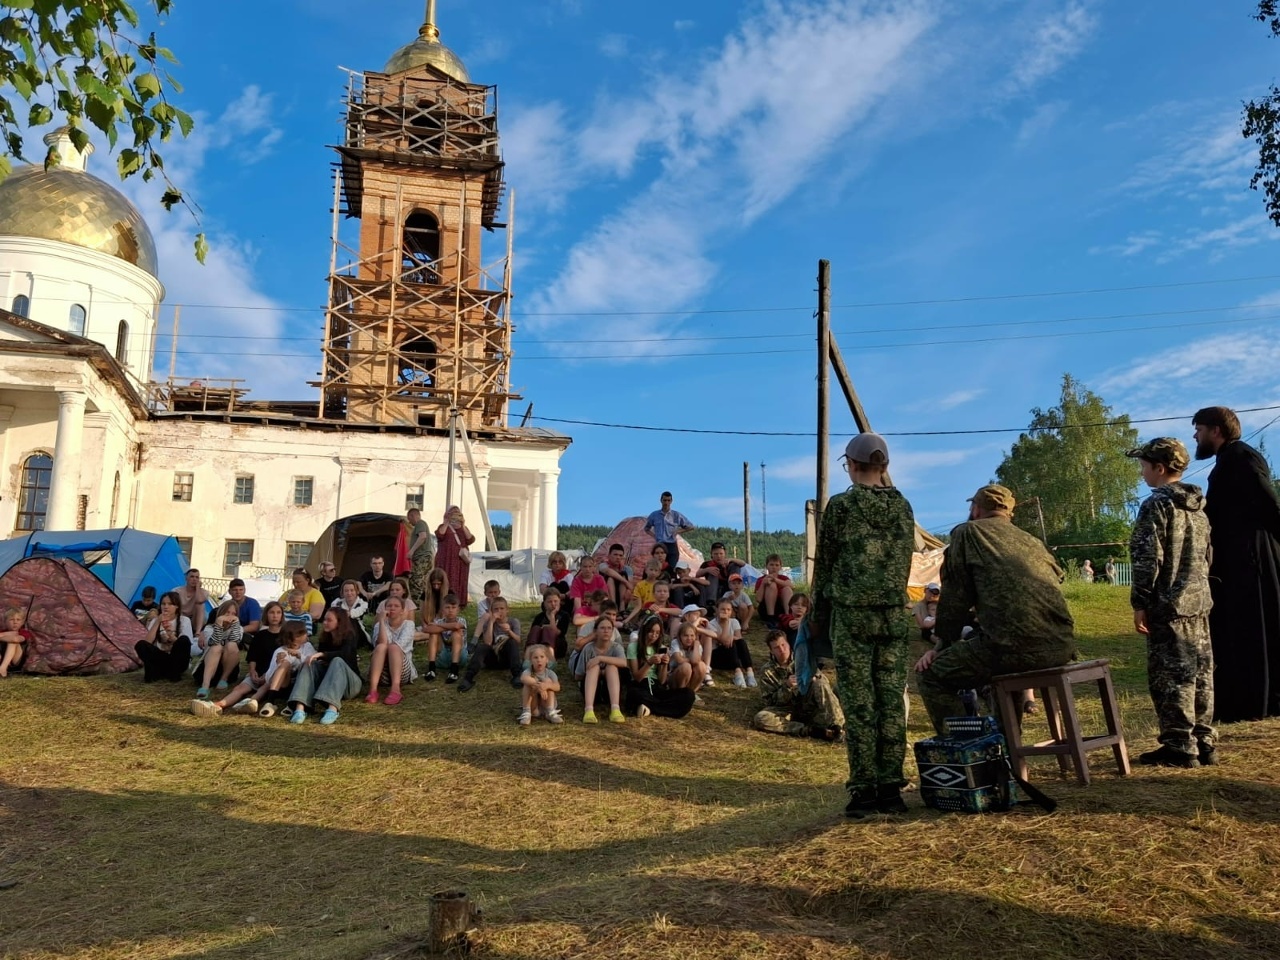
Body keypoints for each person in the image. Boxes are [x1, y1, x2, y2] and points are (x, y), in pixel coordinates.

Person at [811, 433, 917, 819]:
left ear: (851, 466)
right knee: (891, 701)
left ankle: (864, 792)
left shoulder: (840, 507)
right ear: (884, 467)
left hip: (853, 614)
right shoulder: (904, 508)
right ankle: (891, 788)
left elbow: (823, 568)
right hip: (891, 614)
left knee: (859, 703)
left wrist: (815, 620)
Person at [916, 483, 1077, 736]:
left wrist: (942, 646)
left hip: (1010, 649)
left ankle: (968, 751)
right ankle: (1006, 746)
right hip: (1060, 646)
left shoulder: (968, 533)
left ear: (976, 509)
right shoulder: (1031, 540)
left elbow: (955, 597)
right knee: (1000, 658)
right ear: (1009, 513)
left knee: (931, 676)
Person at [1127, 438, 1216, 767]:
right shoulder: (1199, 507)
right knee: (1201, 673)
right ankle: (1204, 740)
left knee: (1171, 676)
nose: (1142, 473)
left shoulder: (1156, 505)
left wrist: (1140, 602)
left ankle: (1179, 745)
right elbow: (1208, 556)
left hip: (1169, 605)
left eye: (1144, 467)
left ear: (1159, 468)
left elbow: (1147, 557)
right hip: (1200, 602)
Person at [1192, 405, 1280, 721]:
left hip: (1251, 558)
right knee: (1238, 632)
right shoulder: (1228, 460)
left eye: (1199, 429)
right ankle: (1241, 703)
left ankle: (1259, 703)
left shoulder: (1242, 457)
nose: (1195, 436)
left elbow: (1269, 503)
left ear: (1217, 430)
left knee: (1253, 630)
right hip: (1238, 560)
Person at [191, 620, 314, 718]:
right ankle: (218, 705)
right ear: (294, 636)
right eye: (303, 633)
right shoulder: (278, 648)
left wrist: (298, 656)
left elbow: (313, 661)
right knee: (241, 688)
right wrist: (263, 670)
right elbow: (257, 660)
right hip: (268, 678)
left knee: (282, 668)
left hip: (288, 684)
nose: (306, 635)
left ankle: (254, 701)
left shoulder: (307, 647)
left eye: (278, 613)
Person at [752, 629, 845, 740]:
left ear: (789, 644)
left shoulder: (802, 659)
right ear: (771, 651)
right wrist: (786, 687)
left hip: (809, 705)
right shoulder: (767, 671)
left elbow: (822, 683)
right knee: (761, 718)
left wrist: (809, 679)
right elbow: (770, 702)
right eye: (776, 647)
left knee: (821, 683)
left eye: (783, 645)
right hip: (787, 712)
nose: (782, 650)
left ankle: (836, 727)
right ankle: (810, 730)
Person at [286, 607, 363, 725]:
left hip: (350, 683)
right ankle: (300, 708)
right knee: (310, 662)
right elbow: (321, 661)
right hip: (330, 681)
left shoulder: (349, 636)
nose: (325, 622)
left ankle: (332, 708)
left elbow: (345, 655)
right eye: (324, 620)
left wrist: (323, 654)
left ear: (339, 622)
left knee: (337, 661)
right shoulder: (325, 638)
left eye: (329, 620)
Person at [625, 615, 696, 719]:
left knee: (688, 694)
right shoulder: (633, 647)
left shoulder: (661, 648)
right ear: (645, 630)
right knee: (634, 694)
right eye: (651, 631)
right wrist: (648, 663)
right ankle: (663, 709)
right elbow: (637, 677)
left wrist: (664, 664)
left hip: (657, 688)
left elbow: (662, 681)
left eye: (657, 633)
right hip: (641, 686)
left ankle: (649, 708)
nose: (654, 635)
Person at [458, 596, 522, 693]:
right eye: (496, 609)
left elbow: (518, 641)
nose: (499, 611)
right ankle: (468, 678)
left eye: (502, 608)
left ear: (507, 610)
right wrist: (491, 622)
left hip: (507, 659)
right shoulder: (488, 623)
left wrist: (509, 632)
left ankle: (517, 675)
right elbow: (488, 642)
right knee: (481, 647)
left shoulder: (513, 622)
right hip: (492, 659)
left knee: (512, 642)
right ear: (491, 611)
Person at [366, 594, 417, 706]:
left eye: (396, 606)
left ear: (402, 610)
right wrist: (382, 623)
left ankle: (395, 689)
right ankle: (373, 690)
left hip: (402, 671)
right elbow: (382, 643)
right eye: (389, 606)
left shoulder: (409, 625)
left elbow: (400, 646)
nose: (392, 608)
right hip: (382, 673)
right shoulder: (378, 626)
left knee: (394, 647)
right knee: (380, 647)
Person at [134, 591, 193, 683]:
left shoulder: (184, 620)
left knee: (184, 640)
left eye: (170, 604)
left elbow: (185, 645)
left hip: (177, 660)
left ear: (177, 606)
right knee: (140, 645)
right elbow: (148, 642)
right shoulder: (156, 620)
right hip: (161, 657)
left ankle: (174, 674)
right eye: (163, 604)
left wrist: (171, 636)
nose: (166, 607)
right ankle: (154, 673)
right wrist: (157, 622)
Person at [578, 615, 628, 723]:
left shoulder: (616, 647)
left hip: (609, 690)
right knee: (594, 667)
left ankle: (615, 709)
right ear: (596, 631)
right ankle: (589, 710)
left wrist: (600, 658)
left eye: (609, 628)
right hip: (591, 690)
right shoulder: (588, 648)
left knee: (611, 667)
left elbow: (624, 663)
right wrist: (596, 672)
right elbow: (578, 675)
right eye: (602, 628)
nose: (606, 631)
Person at [195, 600, 245, 699]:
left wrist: (235, 623)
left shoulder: (238, 628)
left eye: (234, 614)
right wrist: (218, 624)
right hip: (207, 669)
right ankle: (205, 686)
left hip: (228, 669)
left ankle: (224, 679)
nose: (230, 616)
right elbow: (214, 642)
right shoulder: (209, 628)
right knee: (216, 646)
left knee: (232, 645)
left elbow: (235, 640)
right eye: (227, 613)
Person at [706, 598, 756, 688]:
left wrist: (732, 637)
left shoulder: (734, 621)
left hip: (733, 654)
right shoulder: (711, 624)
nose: (726, 612)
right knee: (730, 643)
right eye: (722, 609)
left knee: (740, 642)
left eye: (728, 610)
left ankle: (749, 672)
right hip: (717, 656)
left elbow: (739, 638)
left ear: (731, 611)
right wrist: (725, 623)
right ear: (717, 610)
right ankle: (738, 673)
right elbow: (724, 641)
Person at [419, 592, 467, 682]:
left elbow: (456, 626)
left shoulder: (461, 620)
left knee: (456, 633)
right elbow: (426, 629)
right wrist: (445, 626)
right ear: (442, 610)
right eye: (447, 607)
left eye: (453, 608)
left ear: (458, 609)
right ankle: (431, 669)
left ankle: (454, 671)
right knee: (434, 634)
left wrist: (439, 626)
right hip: (443, 656)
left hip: (460, 656)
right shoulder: (439, 620)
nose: (450, 610)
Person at [643, 491, 694, 573]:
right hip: (660, 544)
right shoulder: (654, 515)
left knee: (672, 569)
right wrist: (654, 536)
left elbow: (691, 526)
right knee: (658, 568)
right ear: (661, 500)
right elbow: (646, 528)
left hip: (671, 544)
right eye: (664, 500)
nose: (666, 502)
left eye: (668, 500)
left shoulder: (676, 515)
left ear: (671, 501)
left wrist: (678, 531)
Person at [435, 506, 476, 606]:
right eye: (452, 512)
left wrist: (463, 525)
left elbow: (470, 539)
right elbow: (440, 534)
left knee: (460, 579)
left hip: (460, 560)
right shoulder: (443, 526)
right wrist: (446, 522)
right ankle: (443, 601)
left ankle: (459, 602)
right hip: (446, 559)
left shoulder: (463, 528)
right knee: (445, 578)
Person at [518, 643, 563, 725]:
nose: (539, 660)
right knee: (528, 684)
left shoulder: (550, 673)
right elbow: (523, 678)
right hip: (534, 707)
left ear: (547, 660)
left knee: (548, 681)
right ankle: (526, 712)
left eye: (542, 657)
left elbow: (557, 687)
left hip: (545, 704)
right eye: (535, 657)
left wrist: (546, 685)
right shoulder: (528, 671)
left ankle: (551, 712)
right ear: (531, 661)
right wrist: (539, 686)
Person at [527, 590, 573, 660]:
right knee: (536, 628)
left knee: (547, 629)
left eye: (555, 601)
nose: (553, 604)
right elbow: (533, 634)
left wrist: (552, 616)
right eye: (549, 602)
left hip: (557, 645)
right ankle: (528, 656)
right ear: (544, 603)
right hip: (540, 646)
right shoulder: (539, 617)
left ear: (559, 602)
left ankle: (551, 657)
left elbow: (557, 633)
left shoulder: (564, 615)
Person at [697, 542, 745, 610]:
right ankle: (711, 604)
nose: (718, 556)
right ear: (712, 554)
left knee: (735, 565)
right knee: (713, 571)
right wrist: (707, 569)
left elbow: (743, 563)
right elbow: (697, 574)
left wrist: (731, 559)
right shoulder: (707, 564)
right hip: (713, 589)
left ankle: (734, 594)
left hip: (728, 587)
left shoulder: (729, 562)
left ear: (725, 554)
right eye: (716, 554)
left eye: (721, 554)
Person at [405, 507, 435, 607]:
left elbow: (422, 536)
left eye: (409, 519)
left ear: (413, 516)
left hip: (422, 557)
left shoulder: (420, 523)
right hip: (424, 558)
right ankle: (425, 604)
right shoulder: (420, 525)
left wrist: (411, 551)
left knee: (415, 580)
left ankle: (417, 604)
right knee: (422, 582)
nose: (409, 522)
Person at [754, 554, 794, 627]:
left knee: (787, 589)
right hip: (766, 608)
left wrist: (775, 580)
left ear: (780, 567)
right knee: (771, 585)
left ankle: (788, 616)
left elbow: (791, 586)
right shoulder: (761, 580)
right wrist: (763, 584)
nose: (774, 567)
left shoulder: (784, 578)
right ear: (767, 566)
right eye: (771, 565)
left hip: (781, 607)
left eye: (777, 565)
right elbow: (758, 599)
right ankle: (770, 618)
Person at [174, 568, 210, 638]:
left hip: (195, 619)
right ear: (186, 578)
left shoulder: (203, 592)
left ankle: (197, 633)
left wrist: (197, 588)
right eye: (192, 576)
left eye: (197, 577)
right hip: (181, 617)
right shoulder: (177, 591)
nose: (194, 579)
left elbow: (199, 600)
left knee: (200, 605)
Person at [599, 543, 634, 610]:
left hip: (622, 596)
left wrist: (629, 591)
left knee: (623, 574)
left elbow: (630, 585)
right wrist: (626, 582)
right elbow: (608, 571)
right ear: (609, 555)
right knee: (610, 578)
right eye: (615, 555)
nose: (618, 557)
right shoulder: (603, 565)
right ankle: (613, 607)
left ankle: (622, 607)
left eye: (620, 555)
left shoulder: (627, 569)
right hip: (607, 596)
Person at [0, 607, 31, 677]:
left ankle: (3, 668)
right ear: (5, 622)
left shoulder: (24, 632)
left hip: (16, 660)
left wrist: (2, 637)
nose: (15, 622)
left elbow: (16, 639)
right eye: (11, 619)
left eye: (18, 620)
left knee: (12, 641)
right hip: (2, 656)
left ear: (22, 622)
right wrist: (5, 634)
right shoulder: (2, 631)